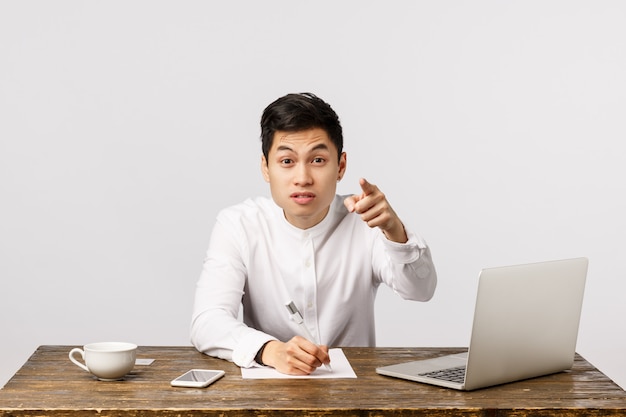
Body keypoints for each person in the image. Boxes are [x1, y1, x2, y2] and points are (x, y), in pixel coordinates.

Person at [190, 92, 437, 375]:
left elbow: (420, 290)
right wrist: (270, 350)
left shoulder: (364, 221)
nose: (303, 178)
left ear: (340, 166)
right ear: (265, 168)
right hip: (268, 397)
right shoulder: (239, 225)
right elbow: (207, 321)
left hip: (356, 398)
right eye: (287, 161)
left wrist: (394, 230)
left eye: (318, 160)